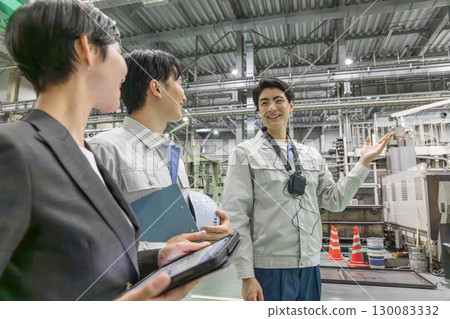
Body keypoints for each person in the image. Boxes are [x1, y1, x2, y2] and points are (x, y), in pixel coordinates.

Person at [0, 0, 208, 301]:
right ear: (86, 49)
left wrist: (158, 256)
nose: (125, 66)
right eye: (119, 51)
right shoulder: (12, 151)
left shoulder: (85, 155)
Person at [222, 77, 393, 301]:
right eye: (264, 103)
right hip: (269, 268)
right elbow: (236, 217)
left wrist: (363, 163)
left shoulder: (311, 155)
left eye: (278, 100)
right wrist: (246, 275)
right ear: (258, 111)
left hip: (310, 265)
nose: (271, 108)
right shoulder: (244, 153)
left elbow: (334, 200)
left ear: (291, 105)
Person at [89, 49, 233, 246]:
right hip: (139, 276)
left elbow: (178, 227)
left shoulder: (172, 156)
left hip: (180, 273)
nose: (184, 96)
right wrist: (160, 252)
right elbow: (91, 237)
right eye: (180, 84)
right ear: (156, 88)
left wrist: (212, 232)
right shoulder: (104, 150)